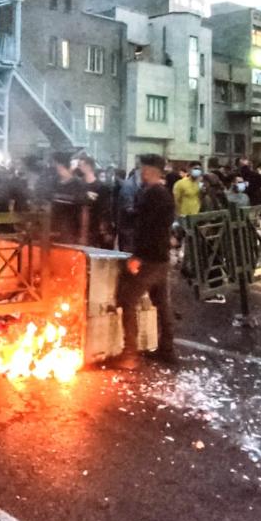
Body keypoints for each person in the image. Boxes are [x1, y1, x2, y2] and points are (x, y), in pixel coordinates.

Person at [109, 154, 177, 369]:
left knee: (127, 300)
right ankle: (167, 350)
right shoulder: (165, 194)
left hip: (149, 259)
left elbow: (147, 229)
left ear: (150, 172)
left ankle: (130, 354)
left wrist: (137, 256)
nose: (141, 173)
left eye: (143, 170)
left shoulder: (152, 195)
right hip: (162, 257)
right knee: (162, 304)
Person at [49, 151, 86, 245]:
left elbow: (84, 211)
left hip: (72, 231)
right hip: (54, 230)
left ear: (60, 165)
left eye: (56, 165)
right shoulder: (54, 182)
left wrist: (83, 235)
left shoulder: (78, 184)